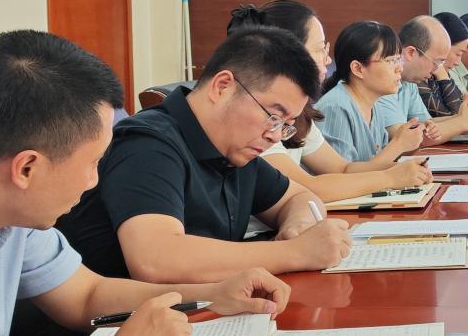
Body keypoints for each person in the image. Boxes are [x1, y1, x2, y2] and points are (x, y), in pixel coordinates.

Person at [0, 30, 290, 336]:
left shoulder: (16, 219)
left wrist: (212, 295)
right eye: (93, 163)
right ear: (26, 168)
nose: (94, 182)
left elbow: (86, 294)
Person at [53, 26, 353, 286]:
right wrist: (295, 252)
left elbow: (300, 198)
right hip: (111, 326)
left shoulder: (235, 150)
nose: (275, 135)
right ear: (223, 87)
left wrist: (296, 227)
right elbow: (155, 259)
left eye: (286, 125)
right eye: (273, 116)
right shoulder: (147, 144)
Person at [228, 2, 431, 198]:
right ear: (287, 54)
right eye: (320, 49)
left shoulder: (300, 114)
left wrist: (401, 169)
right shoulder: (257, 118)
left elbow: (342, 169)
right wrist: (390, 177)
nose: (327, 59)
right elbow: (307, 187)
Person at [315, 21, 434, 160]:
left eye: (398, 59)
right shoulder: (336, 108)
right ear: (358, 69)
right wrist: (398, 145)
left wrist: (412, 139)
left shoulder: (373, 105)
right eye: (390, 61)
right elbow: (344, 172)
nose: (399, 68)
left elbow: (378, 160)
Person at [377, 15, 468, 143]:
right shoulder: (381, 80)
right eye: (436, 62)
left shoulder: (409, 81)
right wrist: (462, 123)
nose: (437, 69)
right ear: (411, 53)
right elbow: (404, 138)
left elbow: (426, 123)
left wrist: (465, 116)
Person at [418, 12, 468, 117]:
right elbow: (455, 115)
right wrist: (443, 77)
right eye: (458, 54)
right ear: (443, 44)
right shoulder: (418, 77)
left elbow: (461, 110)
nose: (457, 62)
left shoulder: (439, 74)